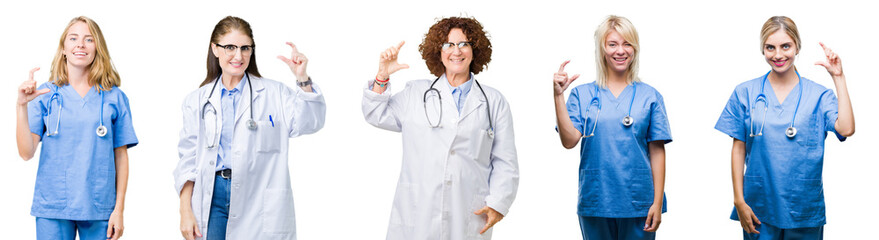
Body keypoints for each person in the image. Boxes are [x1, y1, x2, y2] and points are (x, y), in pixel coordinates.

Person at [362, 16, 519, 240]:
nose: (457, 51)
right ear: (438, 51)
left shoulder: (493, 101)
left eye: (464, 44)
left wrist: (498, 204)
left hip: (468, 213)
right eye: (449, 44)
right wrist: (382, 76)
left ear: (475, 50)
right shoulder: (415, 94)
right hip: (418, 212)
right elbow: (375, 114)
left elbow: (506, 161)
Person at [174, 16, 326, 240]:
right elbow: (188, 159)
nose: (239, 56)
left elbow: (310, 122)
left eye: (245, 48)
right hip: (212, 196)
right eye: (230, 47)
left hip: (259, 198)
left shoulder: (275, 94)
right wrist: (185, 210)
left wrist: (302, 78)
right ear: (215, 49)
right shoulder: (197, 101)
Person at [715, 16, 855, 240]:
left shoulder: (819, 95)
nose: (778, 55)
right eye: (770, 47)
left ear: (797, 46)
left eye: (785, 46)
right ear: (763, 49)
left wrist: (838, 77)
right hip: (758, 207)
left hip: (803, 209)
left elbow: (846, 129)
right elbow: (738, 149)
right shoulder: (745, 92)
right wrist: (739, 200)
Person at [15, 16, 137, 240]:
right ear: (64, 48)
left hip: (99, 207)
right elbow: (25, 153)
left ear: (97, 48)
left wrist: (119, 210)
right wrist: (22, 105)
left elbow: (121, 157)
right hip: (53, 206)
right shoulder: (45, 95)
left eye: (89, 39)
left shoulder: (115, 97)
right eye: (73, 38)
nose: (80, 44)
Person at [552, 15, 671, 240]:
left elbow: (657, 151)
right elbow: (569, 141)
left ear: (635, 49)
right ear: (602, 49)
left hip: (639, 202)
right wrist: (558, 96)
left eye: (627, 44)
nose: (620, 51)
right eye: (612, 44)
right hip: (597, 199)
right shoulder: (582, 94)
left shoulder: (650, 96)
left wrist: (657, 201)